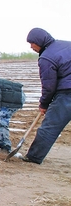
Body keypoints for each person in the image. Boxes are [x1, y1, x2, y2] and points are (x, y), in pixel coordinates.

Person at [22, 27, 71, 164]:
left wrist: (44, 104)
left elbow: (49, 86)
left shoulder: (46, 58)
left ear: (39, 41)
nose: (31, 47)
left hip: (67, 94)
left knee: (49, 128)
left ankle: (34, 157)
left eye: (32, 43)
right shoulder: (68, 44)